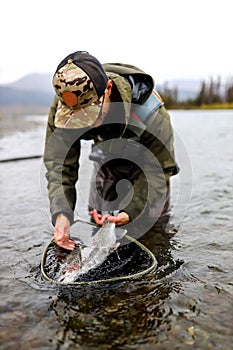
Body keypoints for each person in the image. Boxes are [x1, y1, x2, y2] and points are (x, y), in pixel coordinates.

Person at [44, 51, 179, 251]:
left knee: (152, 228)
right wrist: (62, 213)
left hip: (147, 168)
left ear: (108, 89)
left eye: (91, 114)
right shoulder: (66, 104)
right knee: (98, 221)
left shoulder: (151, 113)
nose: (88, 124)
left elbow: (159, 170)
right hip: (106, 161)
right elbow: (59, 164)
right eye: (78, 118)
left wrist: (132, 210)